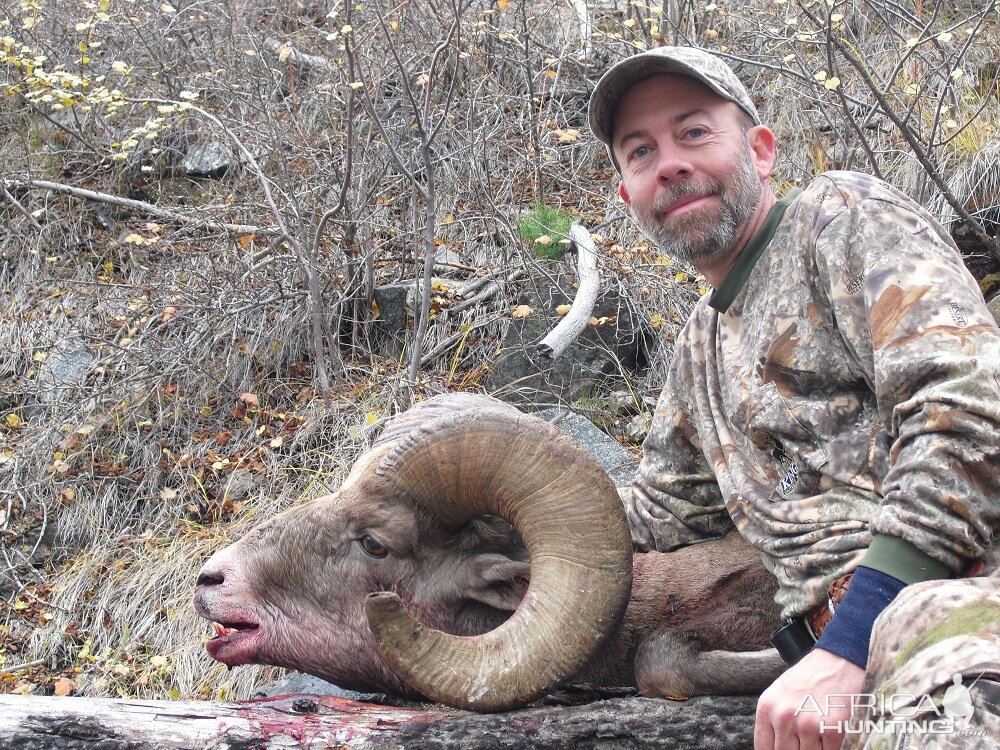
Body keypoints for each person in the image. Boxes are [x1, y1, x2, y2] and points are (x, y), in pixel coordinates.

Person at [587, 46, 1000, 749]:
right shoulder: (699, 349)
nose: (671, 164)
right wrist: (476, 521)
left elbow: (965, 407)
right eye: (641, 152)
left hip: (955, 597)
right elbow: (655, 514)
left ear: (761, 150)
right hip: (845, 647)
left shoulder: (841, 219)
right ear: (630, 198)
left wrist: (851, 637)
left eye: (693, 133)